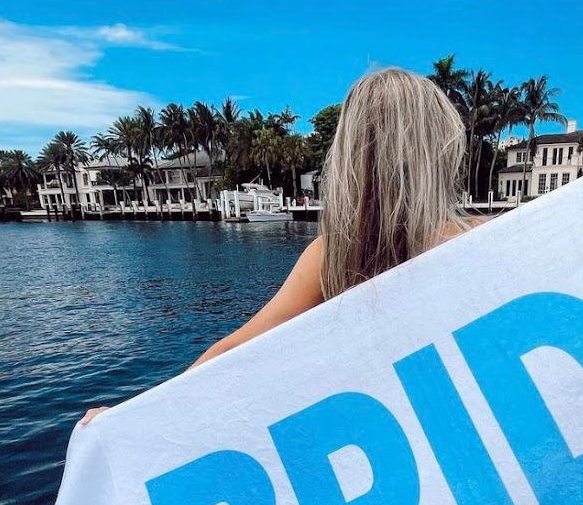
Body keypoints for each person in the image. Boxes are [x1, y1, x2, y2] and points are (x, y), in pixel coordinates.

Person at [81, 67, 477, 425]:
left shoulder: (333, 254)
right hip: (463, 420)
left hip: (376, 432)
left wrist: (128, 420)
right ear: (438, 148)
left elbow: (231, 353)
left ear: (349, 156)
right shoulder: (485, 237)